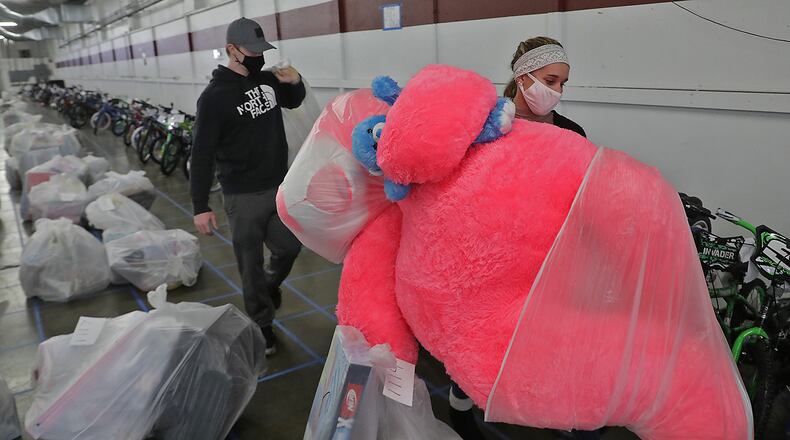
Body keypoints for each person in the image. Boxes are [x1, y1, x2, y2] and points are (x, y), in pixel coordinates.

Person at [447, 37, 598, 440]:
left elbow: (581, 190)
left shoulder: (571, 132)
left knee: (550, 340)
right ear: (522, 76)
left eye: (564, 83)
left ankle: (564, 417)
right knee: (481, 341)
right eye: (551, 80)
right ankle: (461, 406)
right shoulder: (491, 127)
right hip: (490, 257)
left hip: (548, 256)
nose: (558, 91)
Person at [190, 17, 305, 356]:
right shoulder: (214, 98)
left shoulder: (266, 79)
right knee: (250, 263)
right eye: (252, 52)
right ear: (232, 50)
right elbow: (202, 153)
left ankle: (268, 290)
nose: (259, 57)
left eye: (261, 51)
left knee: (289, 248)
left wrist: (295, 81)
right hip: (243, 195)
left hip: (278, 186)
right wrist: (200, 205)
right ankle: (262, 323)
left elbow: (294, 100)